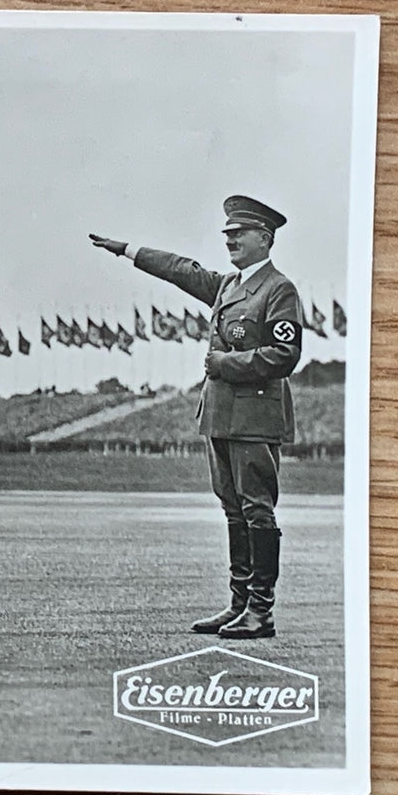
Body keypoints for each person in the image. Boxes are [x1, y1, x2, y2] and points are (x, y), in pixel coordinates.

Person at [89, 195, 303, 640]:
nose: (230, 240)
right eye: (227, 234)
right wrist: (129, 250)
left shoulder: (278, 289)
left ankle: (261, 611)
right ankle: (239, 603)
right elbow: (182, 270)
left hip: (255, 416)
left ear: (264, 238)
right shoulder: (229, 286)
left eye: (238, 234)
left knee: (256, 510)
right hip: (222, 416)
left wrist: (225, 365)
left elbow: (286, 354)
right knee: (232, 510)